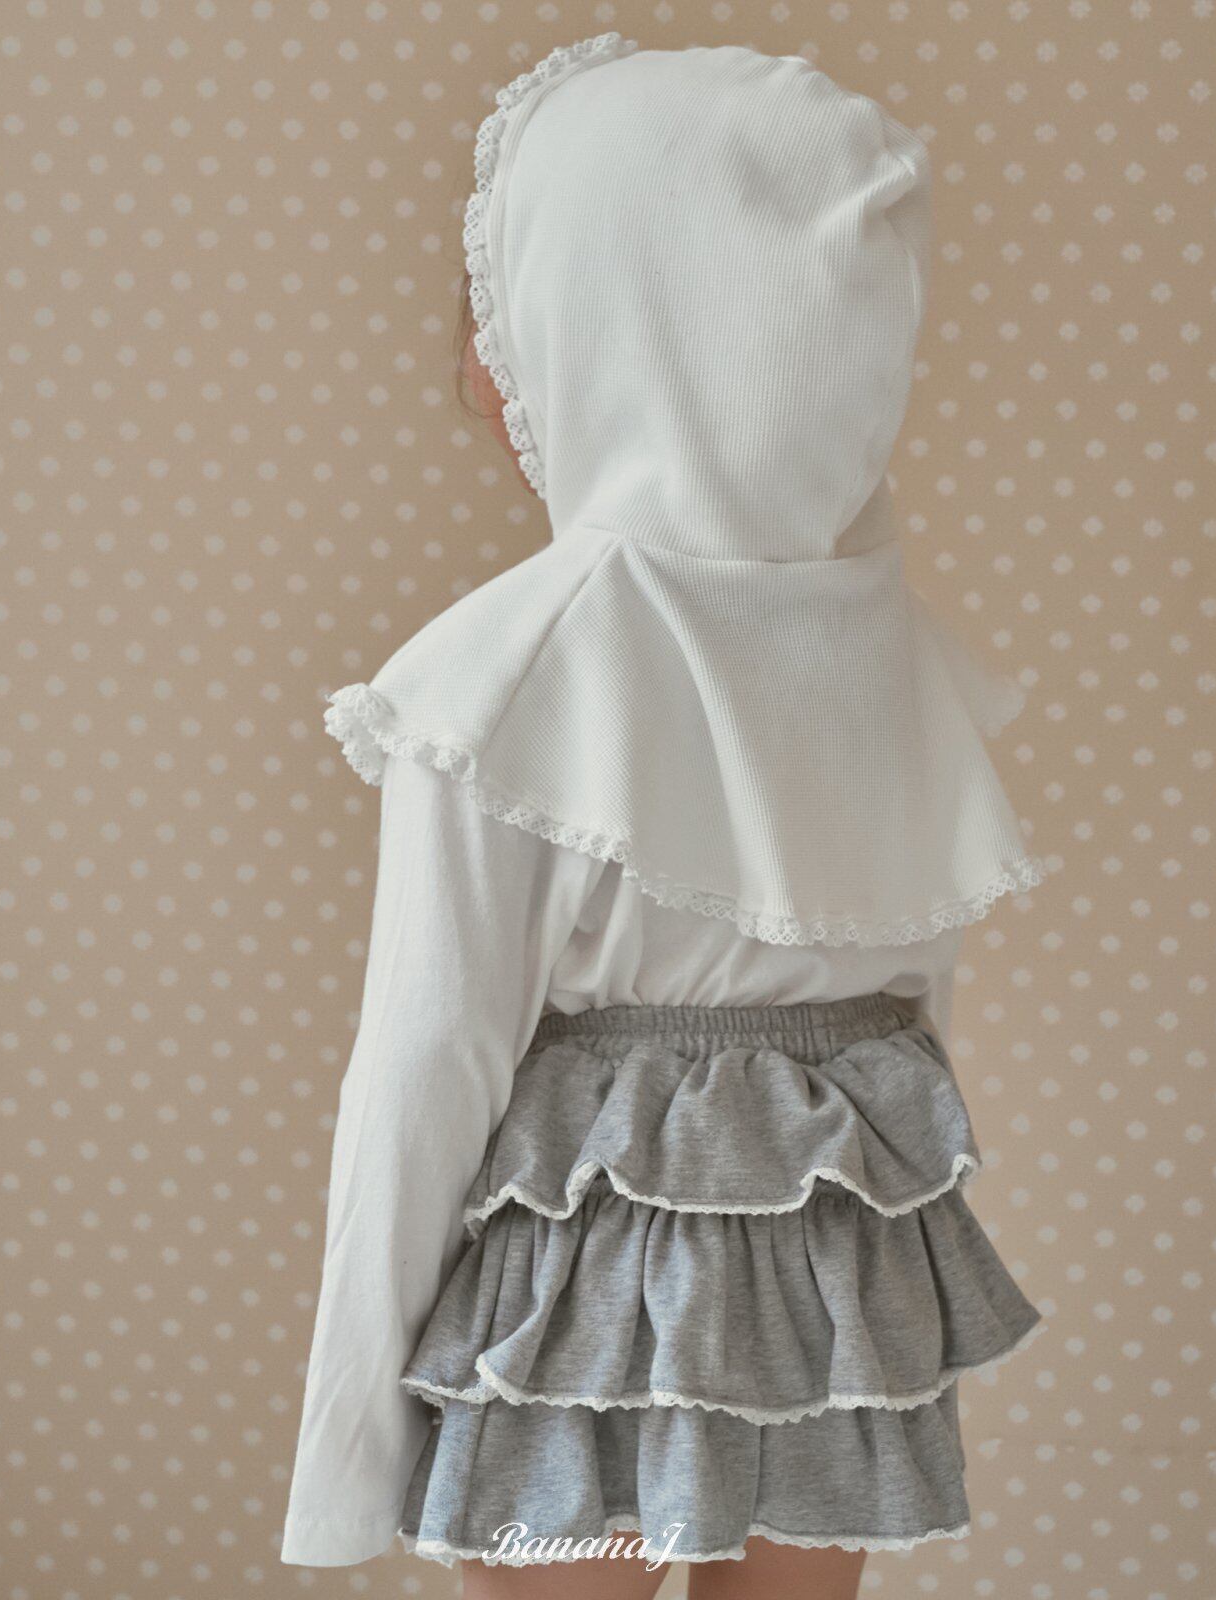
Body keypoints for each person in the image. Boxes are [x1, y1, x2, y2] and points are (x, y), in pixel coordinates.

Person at [280, 33, 1049, 1598]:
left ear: (605, 325)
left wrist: (346, 1451)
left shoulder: (517, 665)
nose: (480, 349)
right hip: (837, 1270)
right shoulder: (892, 651)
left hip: (591, 1277)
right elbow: (917, 1016)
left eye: (499, 299)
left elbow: (427, 1060)